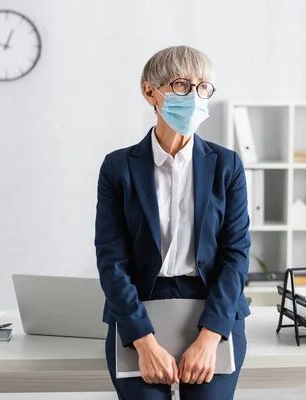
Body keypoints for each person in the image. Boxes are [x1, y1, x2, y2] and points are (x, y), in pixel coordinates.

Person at [94, 45, 251, 400]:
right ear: (151, 91)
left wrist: (210, 338)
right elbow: (111, 261)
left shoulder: (227, 166)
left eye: (202, 87)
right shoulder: (118, 168)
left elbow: (236, 255)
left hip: (212, 305)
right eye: (181, 85)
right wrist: (144, 343)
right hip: (140, 309)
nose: (194, 97)